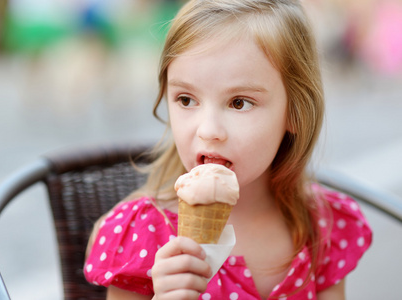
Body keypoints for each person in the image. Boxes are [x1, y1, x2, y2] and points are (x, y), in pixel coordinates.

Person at [84, 0, 372, 299]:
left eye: (239, 102)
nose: (208, 130)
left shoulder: (322, 225)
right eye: (186, 99)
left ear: (295, 113)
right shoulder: (141, 235)